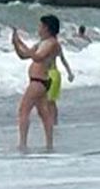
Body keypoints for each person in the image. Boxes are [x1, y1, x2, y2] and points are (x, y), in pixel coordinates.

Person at [11, 15, 64, 150]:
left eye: (40, 26)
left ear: (47, 28)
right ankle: (49, 144)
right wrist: (16, 43)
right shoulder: (41, 43)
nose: (38, 29)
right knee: (43, 114)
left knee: (23, 110)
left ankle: (22, 143)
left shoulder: (53, 43)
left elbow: (38, 58)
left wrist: (23, 45)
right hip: (37, 81)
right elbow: (23, 56)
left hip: (39, 81)